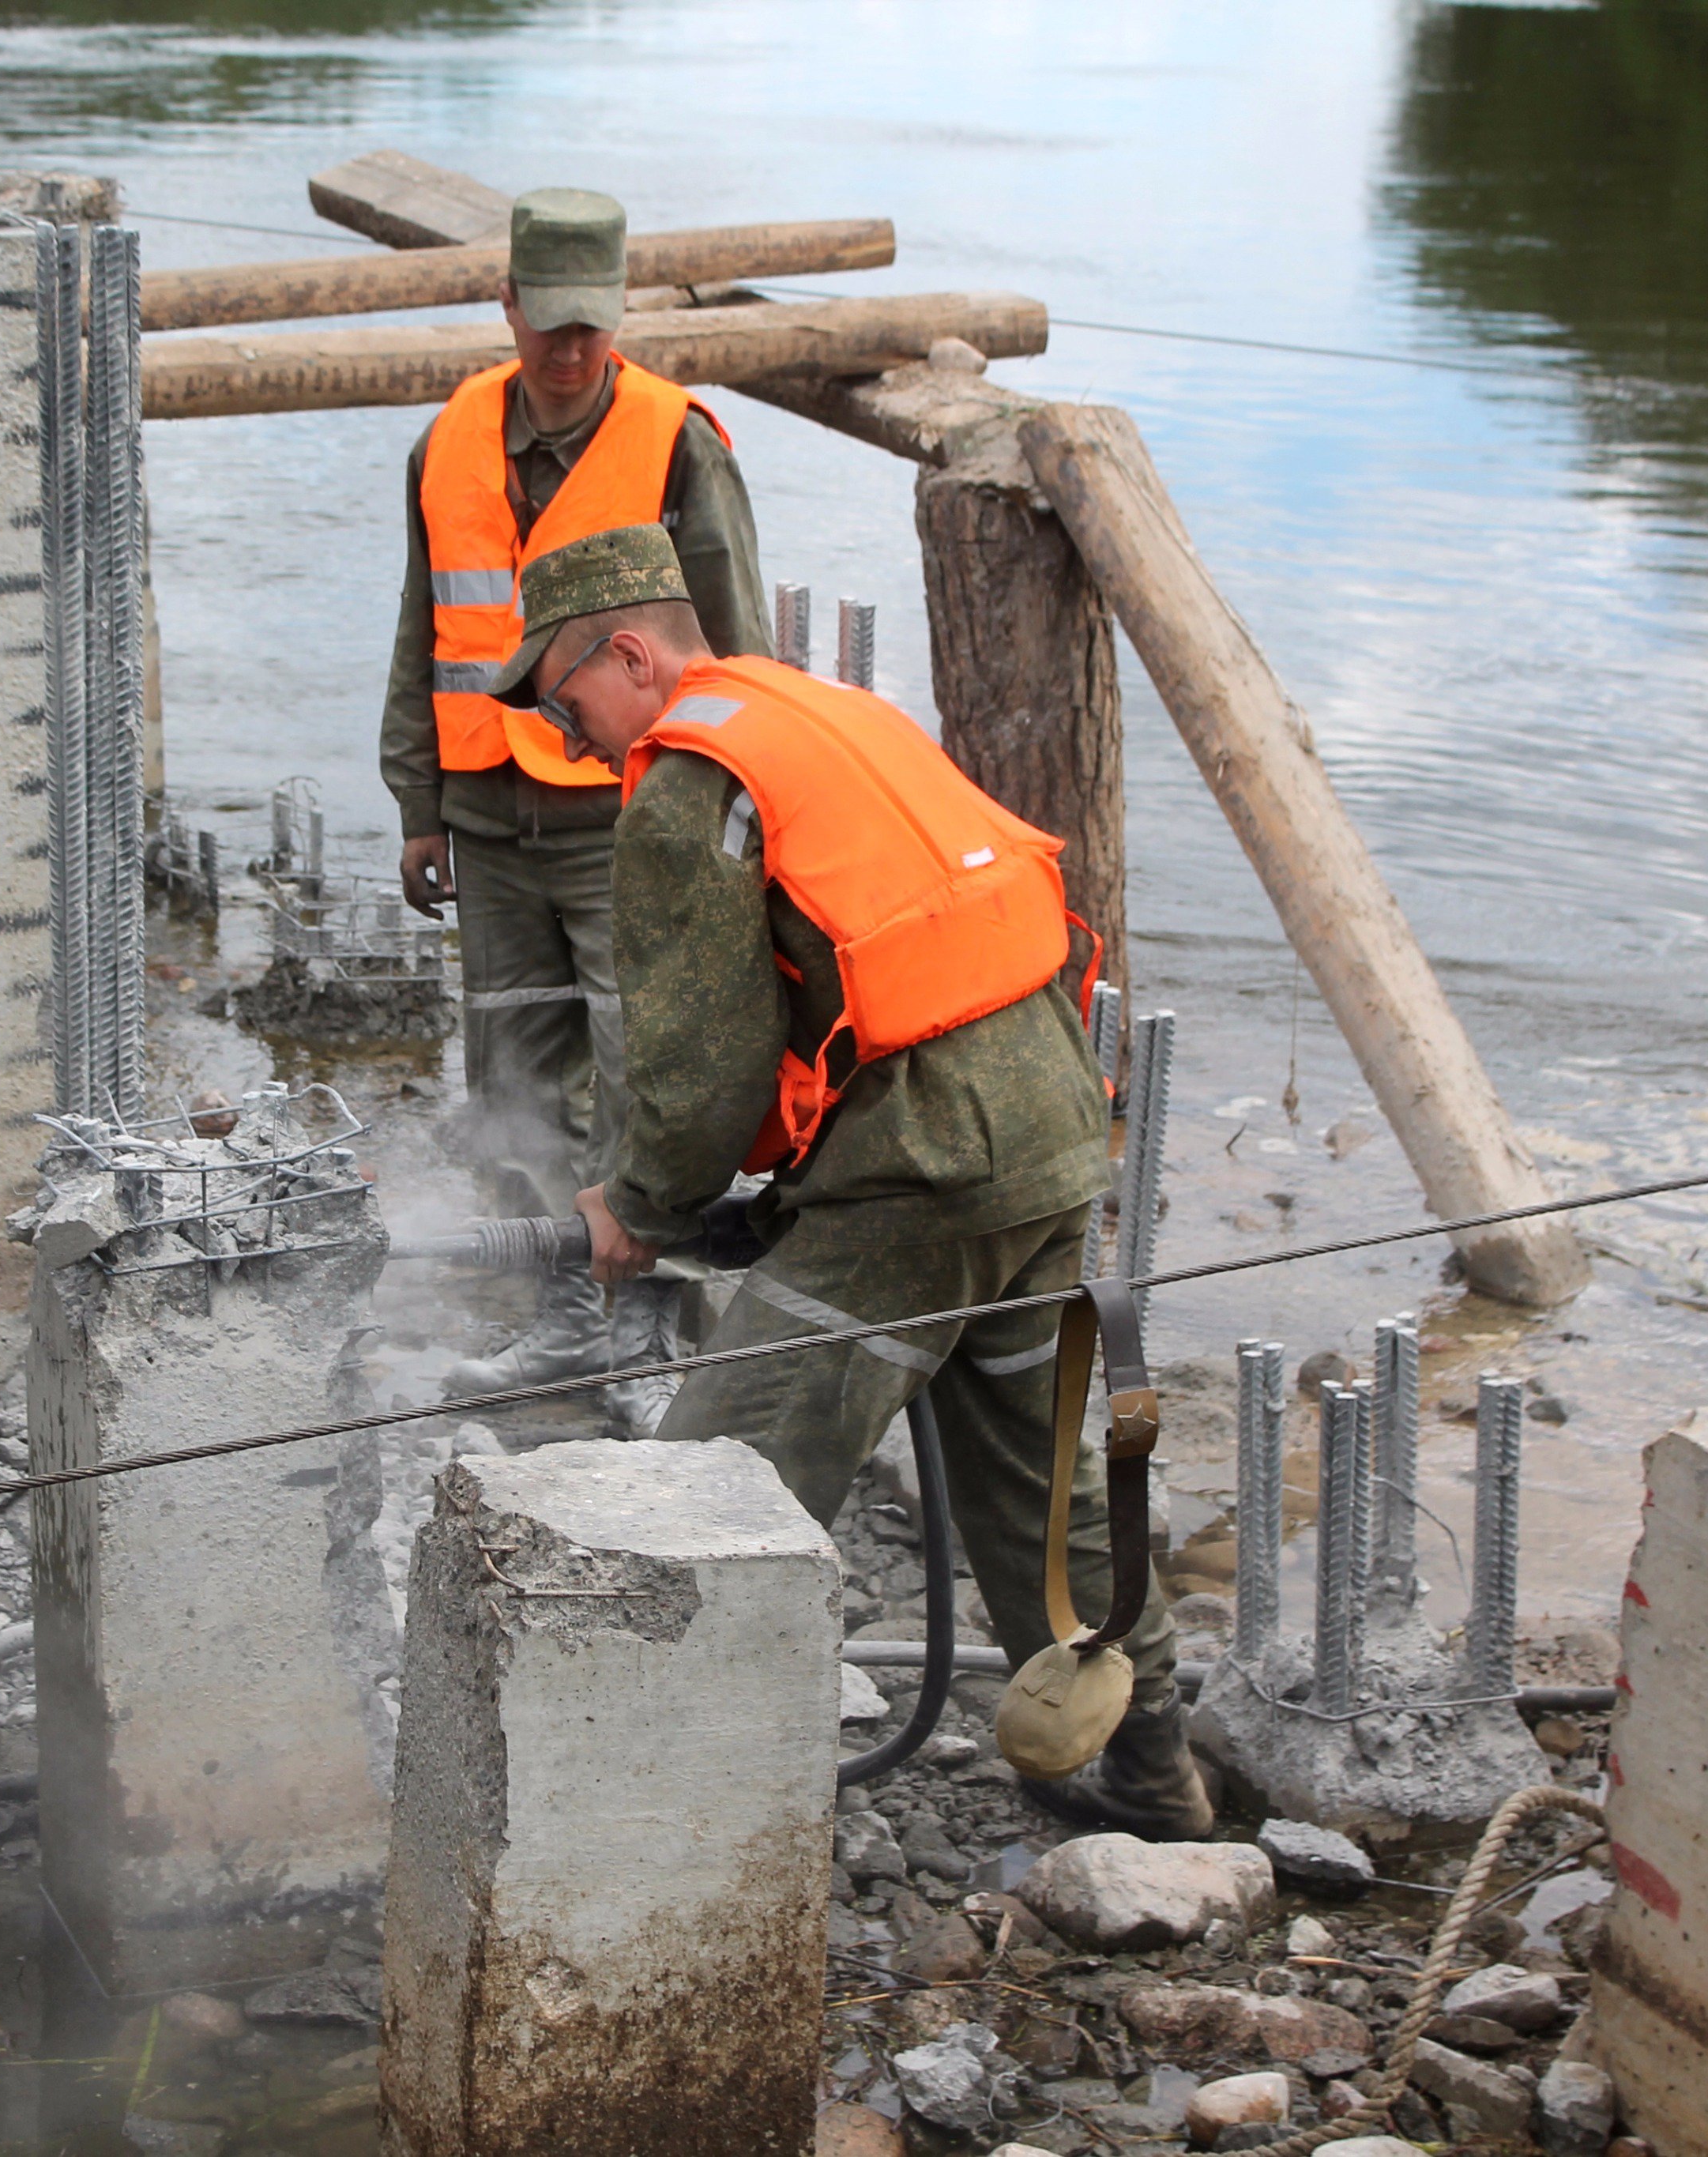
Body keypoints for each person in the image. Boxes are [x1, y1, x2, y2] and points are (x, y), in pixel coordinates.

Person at [483, 521, 1206, 1839]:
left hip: (924, 1170)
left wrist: (636, 1209)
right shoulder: (821, 712)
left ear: (631, 653)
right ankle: (1156, 1779)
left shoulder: (687, 782)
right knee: (1043, 1487)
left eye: (561, 695)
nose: (561, 730)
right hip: (1046, 1126)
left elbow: (700, 1067)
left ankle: (633, 1817)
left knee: (713, 1481)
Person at [378, 186, 767, 1429]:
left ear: (619, 313)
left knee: (647, 1068)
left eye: (590, 327)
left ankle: (652, 1330)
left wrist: (734, 814)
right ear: (506, 305)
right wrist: (416, 800)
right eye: (546, 324)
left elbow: (738, 647)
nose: (568, 349)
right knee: (514, 1069)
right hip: (489, 815)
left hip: (626, 818)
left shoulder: (676, 441)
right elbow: (418, 628)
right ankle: (556, 1320)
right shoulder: (446, 439)